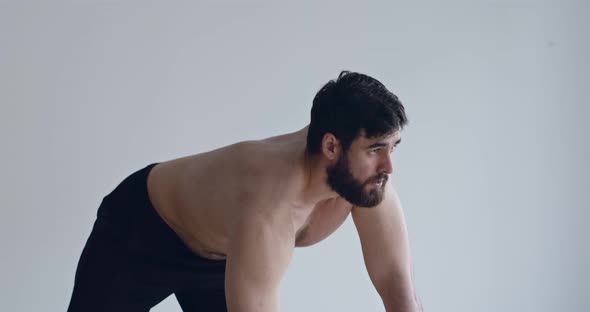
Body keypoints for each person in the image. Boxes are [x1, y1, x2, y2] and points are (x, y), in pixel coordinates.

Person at [67, 70, 421, 312]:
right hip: (141, 233)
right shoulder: (269, 210)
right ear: (331, 146)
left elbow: (395, 283)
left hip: (222, 255)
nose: (389, 166)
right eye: (375, 149)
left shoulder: (366, 181)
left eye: (393, 147)